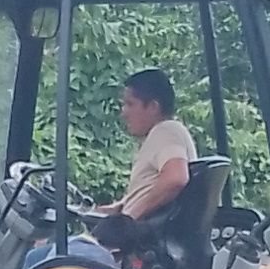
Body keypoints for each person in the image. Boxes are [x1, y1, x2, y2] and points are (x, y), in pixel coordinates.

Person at [81, 70, 196, 250]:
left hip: (131, 247)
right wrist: (118, 207)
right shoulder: (172, 133)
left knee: (45, 256)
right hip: (141, 241)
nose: (124, 113)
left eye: (130, 104)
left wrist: (127, 219)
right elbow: (152, 187)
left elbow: (176, 178)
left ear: (153, 107)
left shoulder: (166, 131)